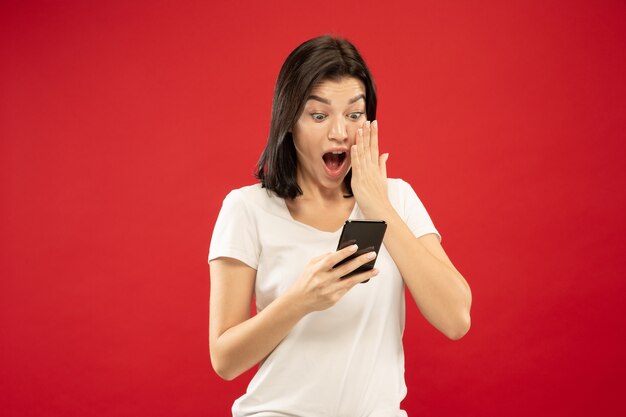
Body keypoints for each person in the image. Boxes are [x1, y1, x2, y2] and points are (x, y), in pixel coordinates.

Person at [208, 35, 472, 416]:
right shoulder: (246, 209)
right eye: (319, 116)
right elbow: (225, 359)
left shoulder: (396, 199)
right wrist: (301, 301)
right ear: (289, 122)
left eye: (354, 115)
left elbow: (456, 318)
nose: (340, 133)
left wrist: (378, 206)